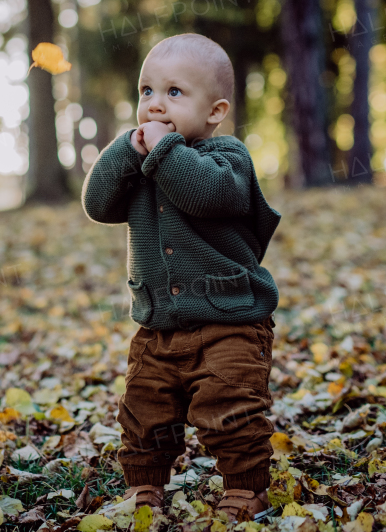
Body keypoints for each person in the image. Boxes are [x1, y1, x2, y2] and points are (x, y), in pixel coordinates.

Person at [81, 33, 281, 523]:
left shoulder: (227, 158)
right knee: (145, 412)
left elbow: (208, 194)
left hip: (229, 320)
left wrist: (163, 149)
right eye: (146, 91)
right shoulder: (141, 164)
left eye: (174, 93)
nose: (154, 105)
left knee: (230, 405)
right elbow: (98, 204)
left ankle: (246, 486)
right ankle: (144, 486)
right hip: (158, 325)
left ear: (214, 111)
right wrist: (126, 152)